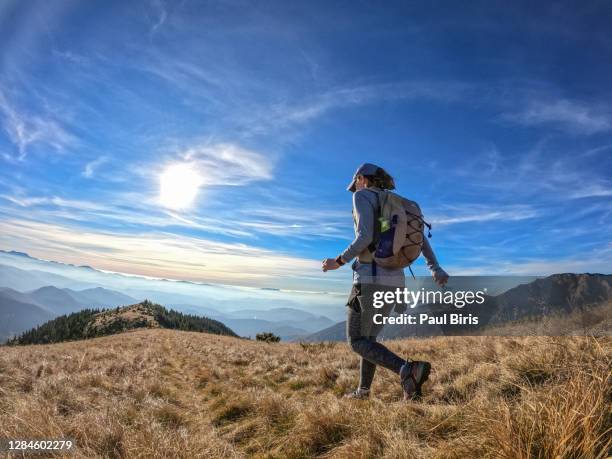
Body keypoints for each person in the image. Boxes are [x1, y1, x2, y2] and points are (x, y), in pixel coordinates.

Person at [322, 163, 449, 400]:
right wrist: (435, 267)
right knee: (369, 340)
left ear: (361, 178)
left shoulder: (362, 196)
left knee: (357, 340)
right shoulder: (399, 203)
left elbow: (365, 237)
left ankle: (407, 369)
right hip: (395, 283)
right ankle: (364, 391)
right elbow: (420, 238)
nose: (355, 189)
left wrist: (337, 261)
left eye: (356, 184)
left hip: (370, 279)